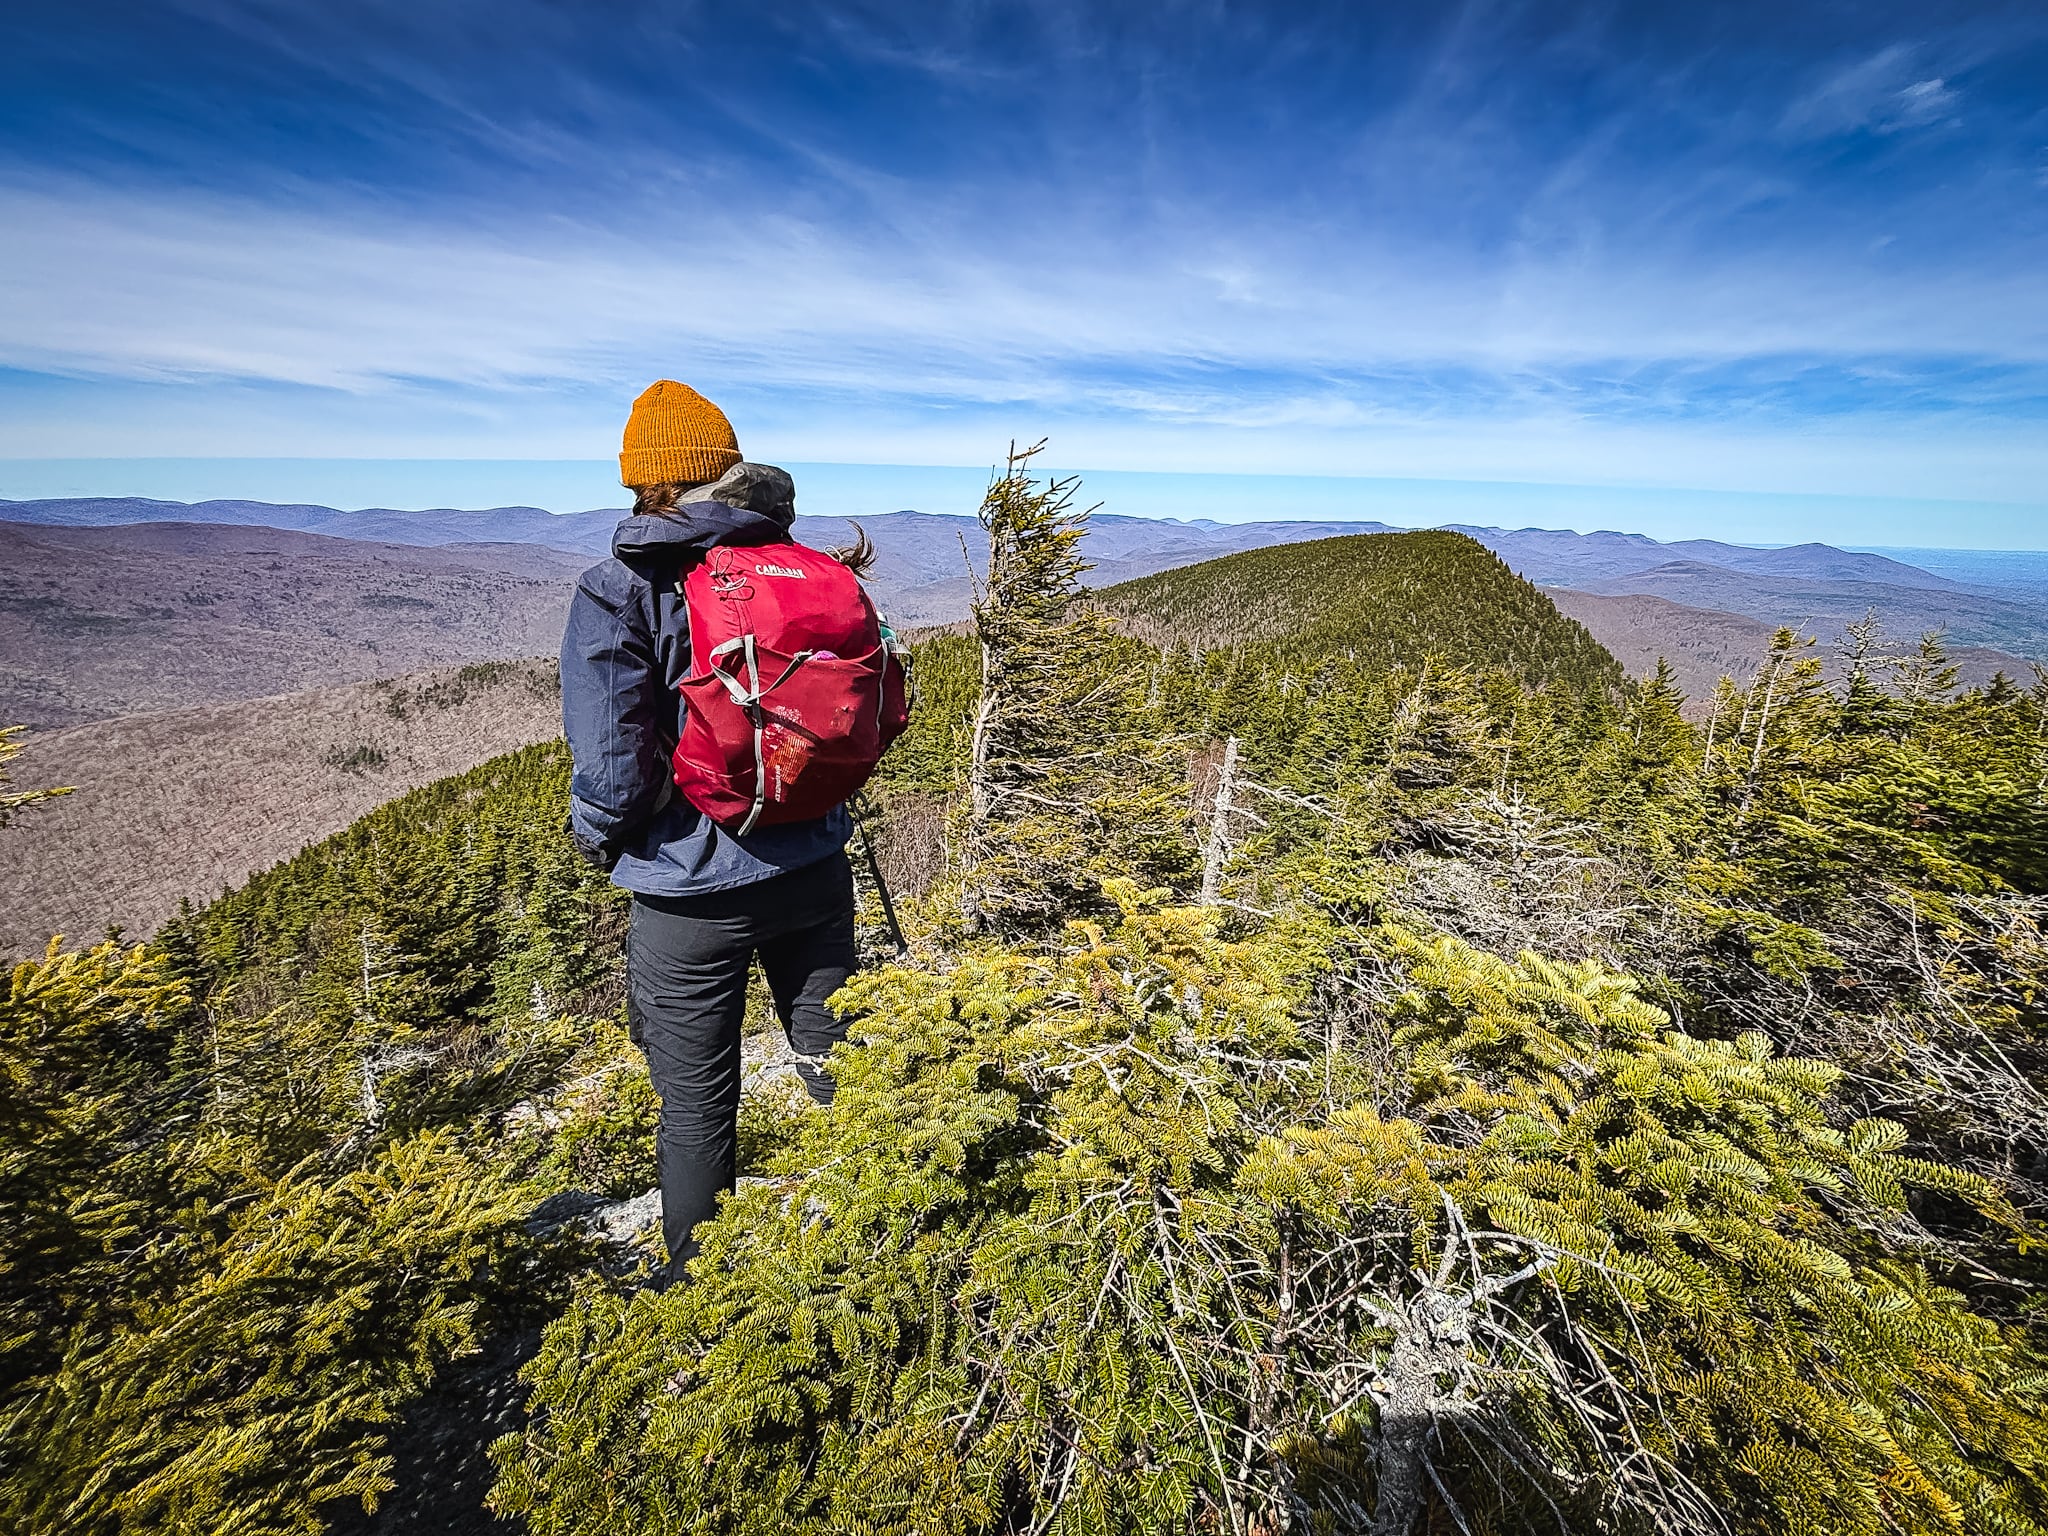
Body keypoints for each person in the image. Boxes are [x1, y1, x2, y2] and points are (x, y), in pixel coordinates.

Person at [560, 379, 857, 1280]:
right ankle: (888, 1236)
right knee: (843, 1065)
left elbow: (614, 767)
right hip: (814, 862)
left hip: (691, 894)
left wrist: (605, 844)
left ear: (643, 479)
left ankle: (701, 1295)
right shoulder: (799, 566)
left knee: (696, 1107)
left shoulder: (621, 587)